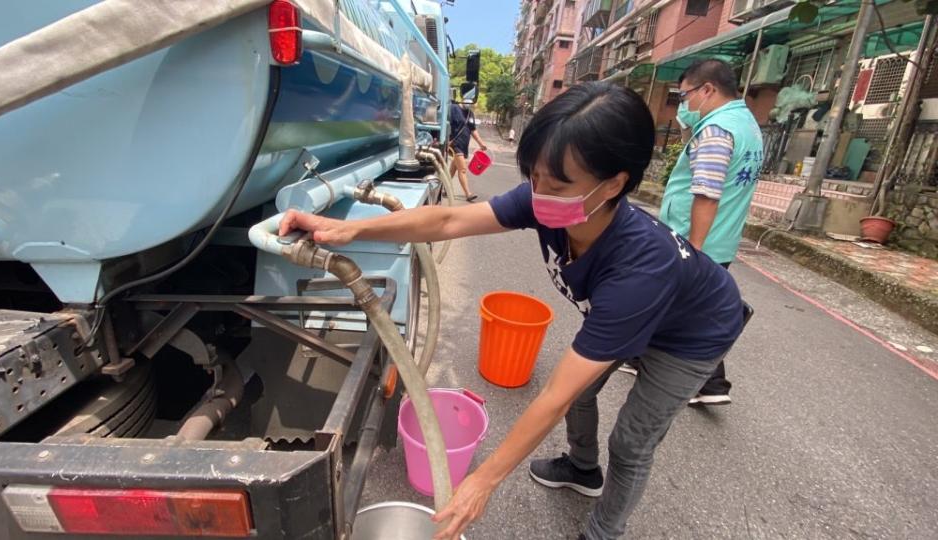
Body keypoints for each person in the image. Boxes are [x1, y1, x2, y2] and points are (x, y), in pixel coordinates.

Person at [277, 82, 745, 539]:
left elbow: (551, 396)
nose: (538, 193)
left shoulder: (639, 268)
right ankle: (582, 469)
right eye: (534, 176)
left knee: (631, 443)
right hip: (638, 311)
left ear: (615, 183)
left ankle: (605, 531)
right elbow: (449, 218)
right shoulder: (550, 202)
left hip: (691, 334)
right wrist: (342, 229)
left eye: (557, 183)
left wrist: (483, 481)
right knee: (584, 394)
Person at [618, 59, 762, 407]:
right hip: (721, 239)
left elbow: (707, 193)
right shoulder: (746, 125)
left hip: (693, 239)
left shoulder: (717, 131)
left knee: (681, 307)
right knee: (683, 306)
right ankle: (648, 360)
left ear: (708, 89)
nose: (683, 104)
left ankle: (711, 381)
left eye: (685, 96)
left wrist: (693, 251)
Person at [449, 100, 488, 201]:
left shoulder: (470, 113)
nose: (470, 104)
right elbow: (446, 123)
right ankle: (468, 194)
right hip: (454, 144)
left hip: (464, 145)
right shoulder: (453, 108)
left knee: (453, 168)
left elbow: (472, 129)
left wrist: (481, 143)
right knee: (462, 169)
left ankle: (444, 187)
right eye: (469, 102)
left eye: (472, 103)